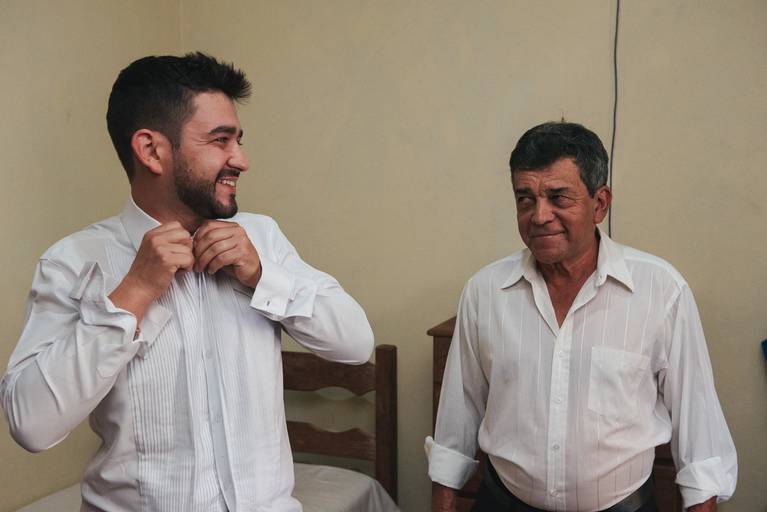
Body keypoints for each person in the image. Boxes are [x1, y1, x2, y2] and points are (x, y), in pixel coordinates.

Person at [1, 53, 374, 512]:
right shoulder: (72, 262)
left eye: (238, 141)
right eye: (221, 140)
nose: (242, 160)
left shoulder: (263, 239)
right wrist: (133, 293)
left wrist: (262, 276)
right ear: (151, 150)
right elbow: (30, 425)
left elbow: (356, 344)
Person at [426, 122, 736, 512]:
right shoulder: (484, 291)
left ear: (600, 203)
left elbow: (700, 431)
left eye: (558, 197)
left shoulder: (661, 291)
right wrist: (442, 499)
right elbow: (459, 411)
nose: (539, 215)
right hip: (504, 502)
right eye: (525, 199)